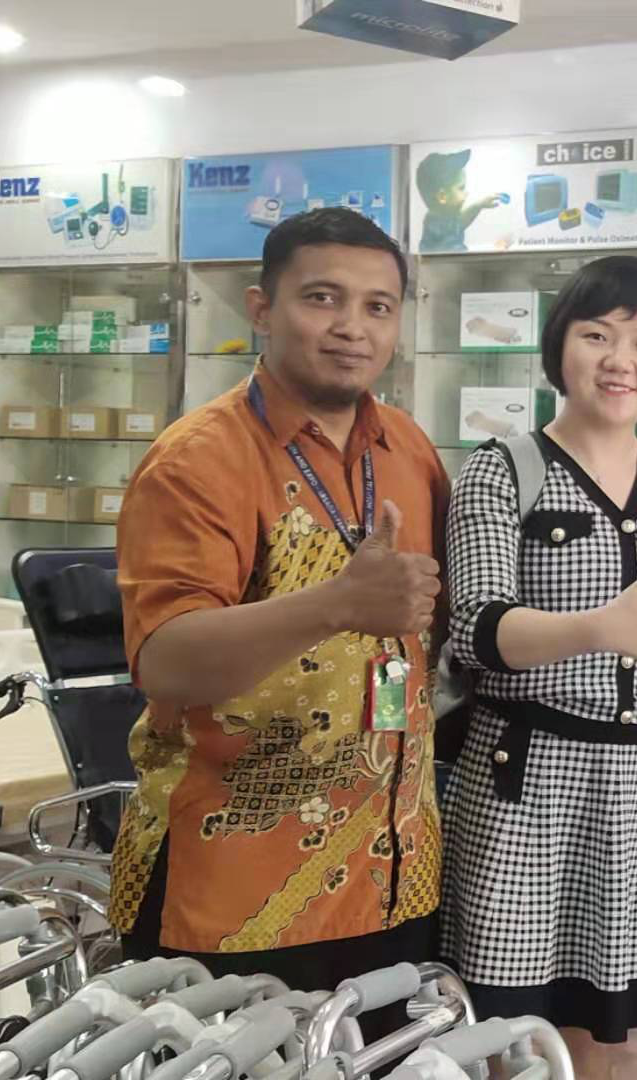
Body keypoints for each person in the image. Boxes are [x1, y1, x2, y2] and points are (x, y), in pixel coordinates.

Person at [112, 208, 447, 1034]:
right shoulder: (199, 460)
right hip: (230, 893)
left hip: (393, 874)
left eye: (378, 306)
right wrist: (335, 604)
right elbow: (165, 660)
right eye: (322, 298)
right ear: (261, 309)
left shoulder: (407, 449)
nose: (352, 327)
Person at [443, 255, 637, 1080]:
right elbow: (474, 629)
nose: (620, 360)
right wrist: (599, 628)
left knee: (603, 1020)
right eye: (597, 336)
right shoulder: (502, 468)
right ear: (559, 347)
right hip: (523, 778)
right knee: (505, 1020)